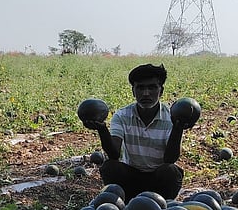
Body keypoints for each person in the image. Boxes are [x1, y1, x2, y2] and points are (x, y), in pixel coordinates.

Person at [81, 63, 196, 200]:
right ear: (133, 91)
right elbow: (114, 154)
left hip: (158, 180)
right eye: (140, 88)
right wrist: (102, 129)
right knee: (110, 167)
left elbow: (170, 159)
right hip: (131, 179)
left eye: (152, 87)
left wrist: (178, 129)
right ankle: (125, 202)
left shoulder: (171, 117)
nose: (146, 93)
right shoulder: (122, 116)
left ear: (161, 91)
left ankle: (164, 205)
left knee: (170, 171)